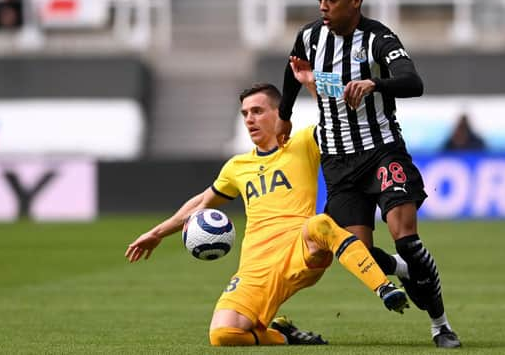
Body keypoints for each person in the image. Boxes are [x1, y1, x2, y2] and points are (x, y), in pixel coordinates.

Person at [125, 83, 408, 347]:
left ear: (279, 112)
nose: (249, 119)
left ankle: (384, 288)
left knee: (321, 224)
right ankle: (285, 335)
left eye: (257, 111)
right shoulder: (237, 166)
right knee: (223, 334)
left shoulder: (304, 142)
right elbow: (201, 203)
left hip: (301, 246)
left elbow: (339, 119)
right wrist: (156, 233)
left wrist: (310, 84)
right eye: (245, 113)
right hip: (256, 266)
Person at [275, 0, 461, 348]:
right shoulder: (310, 37)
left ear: (355, 1)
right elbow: (292, 73)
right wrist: (284, 117)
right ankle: (405, 270)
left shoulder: (379, 39)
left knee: (405, 237)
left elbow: (414, 82)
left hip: (381, 152)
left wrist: (375, 83)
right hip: (338, 162)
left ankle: (440, 325)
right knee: (357, 254)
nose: (323, 6)